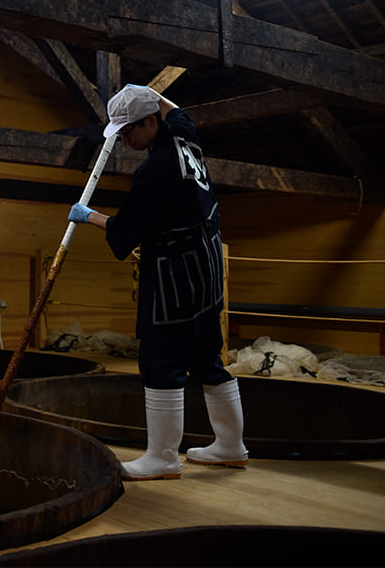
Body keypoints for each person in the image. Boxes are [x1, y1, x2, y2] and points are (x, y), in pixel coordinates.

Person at [68, 83, 247, 481]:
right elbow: (176, 110)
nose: (125, 139)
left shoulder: (155, 169)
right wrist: (148, 92)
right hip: (207, 264)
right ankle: (231, 446)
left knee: (160, 360)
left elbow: (125, 232)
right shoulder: (184, 134)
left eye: (129, 131)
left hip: (174, 274)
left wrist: (89, 215)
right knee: (206, 357)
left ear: (150, 121)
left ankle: (162, 458)